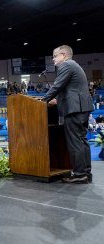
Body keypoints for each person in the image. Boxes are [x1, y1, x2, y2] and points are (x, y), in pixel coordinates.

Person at [42, 45, 93, 183]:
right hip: (81, 107)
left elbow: (57, 85)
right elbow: (71, 88)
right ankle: (86, 172)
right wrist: (57, 100)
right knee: (82, 140)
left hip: (74, 109)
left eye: (55, 56)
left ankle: (79, 174)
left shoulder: (66, 65)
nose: (53, 59)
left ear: (63, 55)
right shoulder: (74, 65)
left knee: (75, 142)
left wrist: (43, 100)